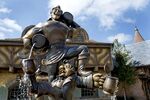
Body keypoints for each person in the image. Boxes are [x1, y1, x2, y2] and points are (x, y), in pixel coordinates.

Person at [22, 61, 105, 100]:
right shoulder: (53, 82)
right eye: (60, 69)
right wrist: (30, 73)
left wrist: (93, 80)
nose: (61, 69)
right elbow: (34, 88)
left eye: (64, 68)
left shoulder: (73, 78)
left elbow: (83, 81)